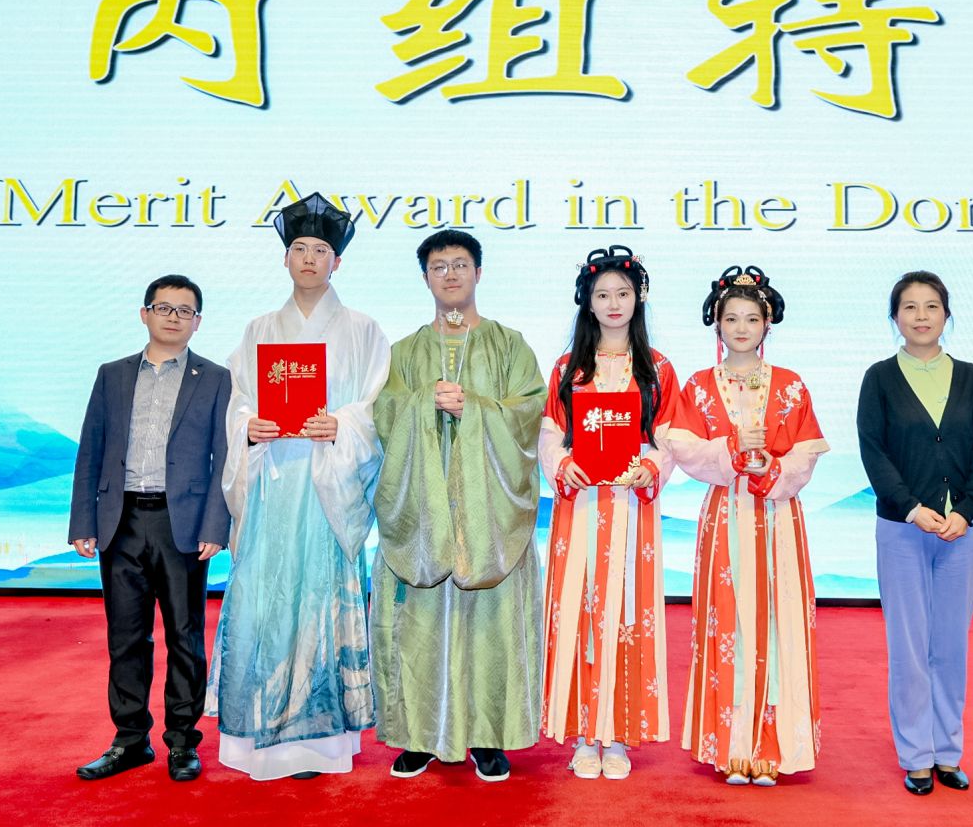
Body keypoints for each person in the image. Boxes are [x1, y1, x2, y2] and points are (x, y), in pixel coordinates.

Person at [215, 194, 391, 781]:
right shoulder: (258, 330)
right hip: (272, 485)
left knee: (319, 600)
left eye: (320, 250)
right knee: (265, 602)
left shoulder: (363, 331)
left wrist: (342, 423)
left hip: (325, 489)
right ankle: (259, 742)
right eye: (299, 248)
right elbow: (239, 403)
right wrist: (248, 427)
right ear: (285, 259)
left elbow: (377, 407)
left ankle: (324, 741)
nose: (310, 258)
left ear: (337, 261)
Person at [370, 230, 546, 782]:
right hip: (423, 514)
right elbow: (384, 417)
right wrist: (424, 402)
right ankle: (418, 735)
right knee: (418, 625)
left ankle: (490, 735)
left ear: (478, 273)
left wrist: (476, 407)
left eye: (460, 264)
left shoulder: (510, 345)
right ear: (425, 277)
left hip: (489, 518)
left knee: (492, 625)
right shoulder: (404, 353)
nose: (450, 274)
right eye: (439, 265)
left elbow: (528, 415)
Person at [68, 275, 232, 783]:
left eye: (185, 311)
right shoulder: (112, 375)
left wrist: (216, 524)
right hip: (120, 521)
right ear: (144, 314)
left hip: (181, 524)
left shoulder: (216, 378)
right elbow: (91, 449)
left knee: (185, 637)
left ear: (198, 322)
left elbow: (223, 456)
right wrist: (83, 520)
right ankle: (129, 740)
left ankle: (182, 741)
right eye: (164, 308)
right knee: (126, 638)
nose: (173, 317)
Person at [539, 246, 692, 781]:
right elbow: (550, 433)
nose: (613, 303)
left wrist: (652, 465)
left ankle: (620, 733)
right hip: (580, 507)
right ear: (587, 301)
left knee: (628, 615)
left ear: (638, 298)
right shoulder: (568, 368)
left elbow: (670, 436)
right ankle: (585, 733)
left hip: (631, 511)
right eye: (602, 294)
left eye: (622, 293)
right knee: (580, 613)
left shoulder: (657, 368)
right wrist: (562, 463)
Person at [670, 266, 827, 787]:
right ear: (716, 323)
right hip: (726, 514)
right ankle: (732, 744)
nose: (741, 328)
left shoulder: (790, 384)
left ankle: (773, 745)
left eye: (751, 318)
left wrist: (774, 470)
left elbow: (806, 452)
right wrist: (732, 452)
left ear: (767, 323)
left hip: (778, 516)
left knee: (778, 622)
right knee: (728, 623)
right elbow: (685, 448)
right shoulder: (699, 386)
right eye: (731, 318)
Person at [855, 270, 973, 796]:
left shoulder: (971, 378)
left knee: (950, 646)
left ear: (946, 314)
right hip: (902, 530)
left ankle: (948, 752)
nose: (921, 316)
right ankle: (916, 755)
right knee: (910, 646)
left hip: (963, 532)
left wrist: (968, 509)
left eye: (931, 306)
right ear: (895, 317)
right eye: (910, 307)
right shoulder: (879, 378)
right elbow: (874, 451)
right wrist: (912, 508)